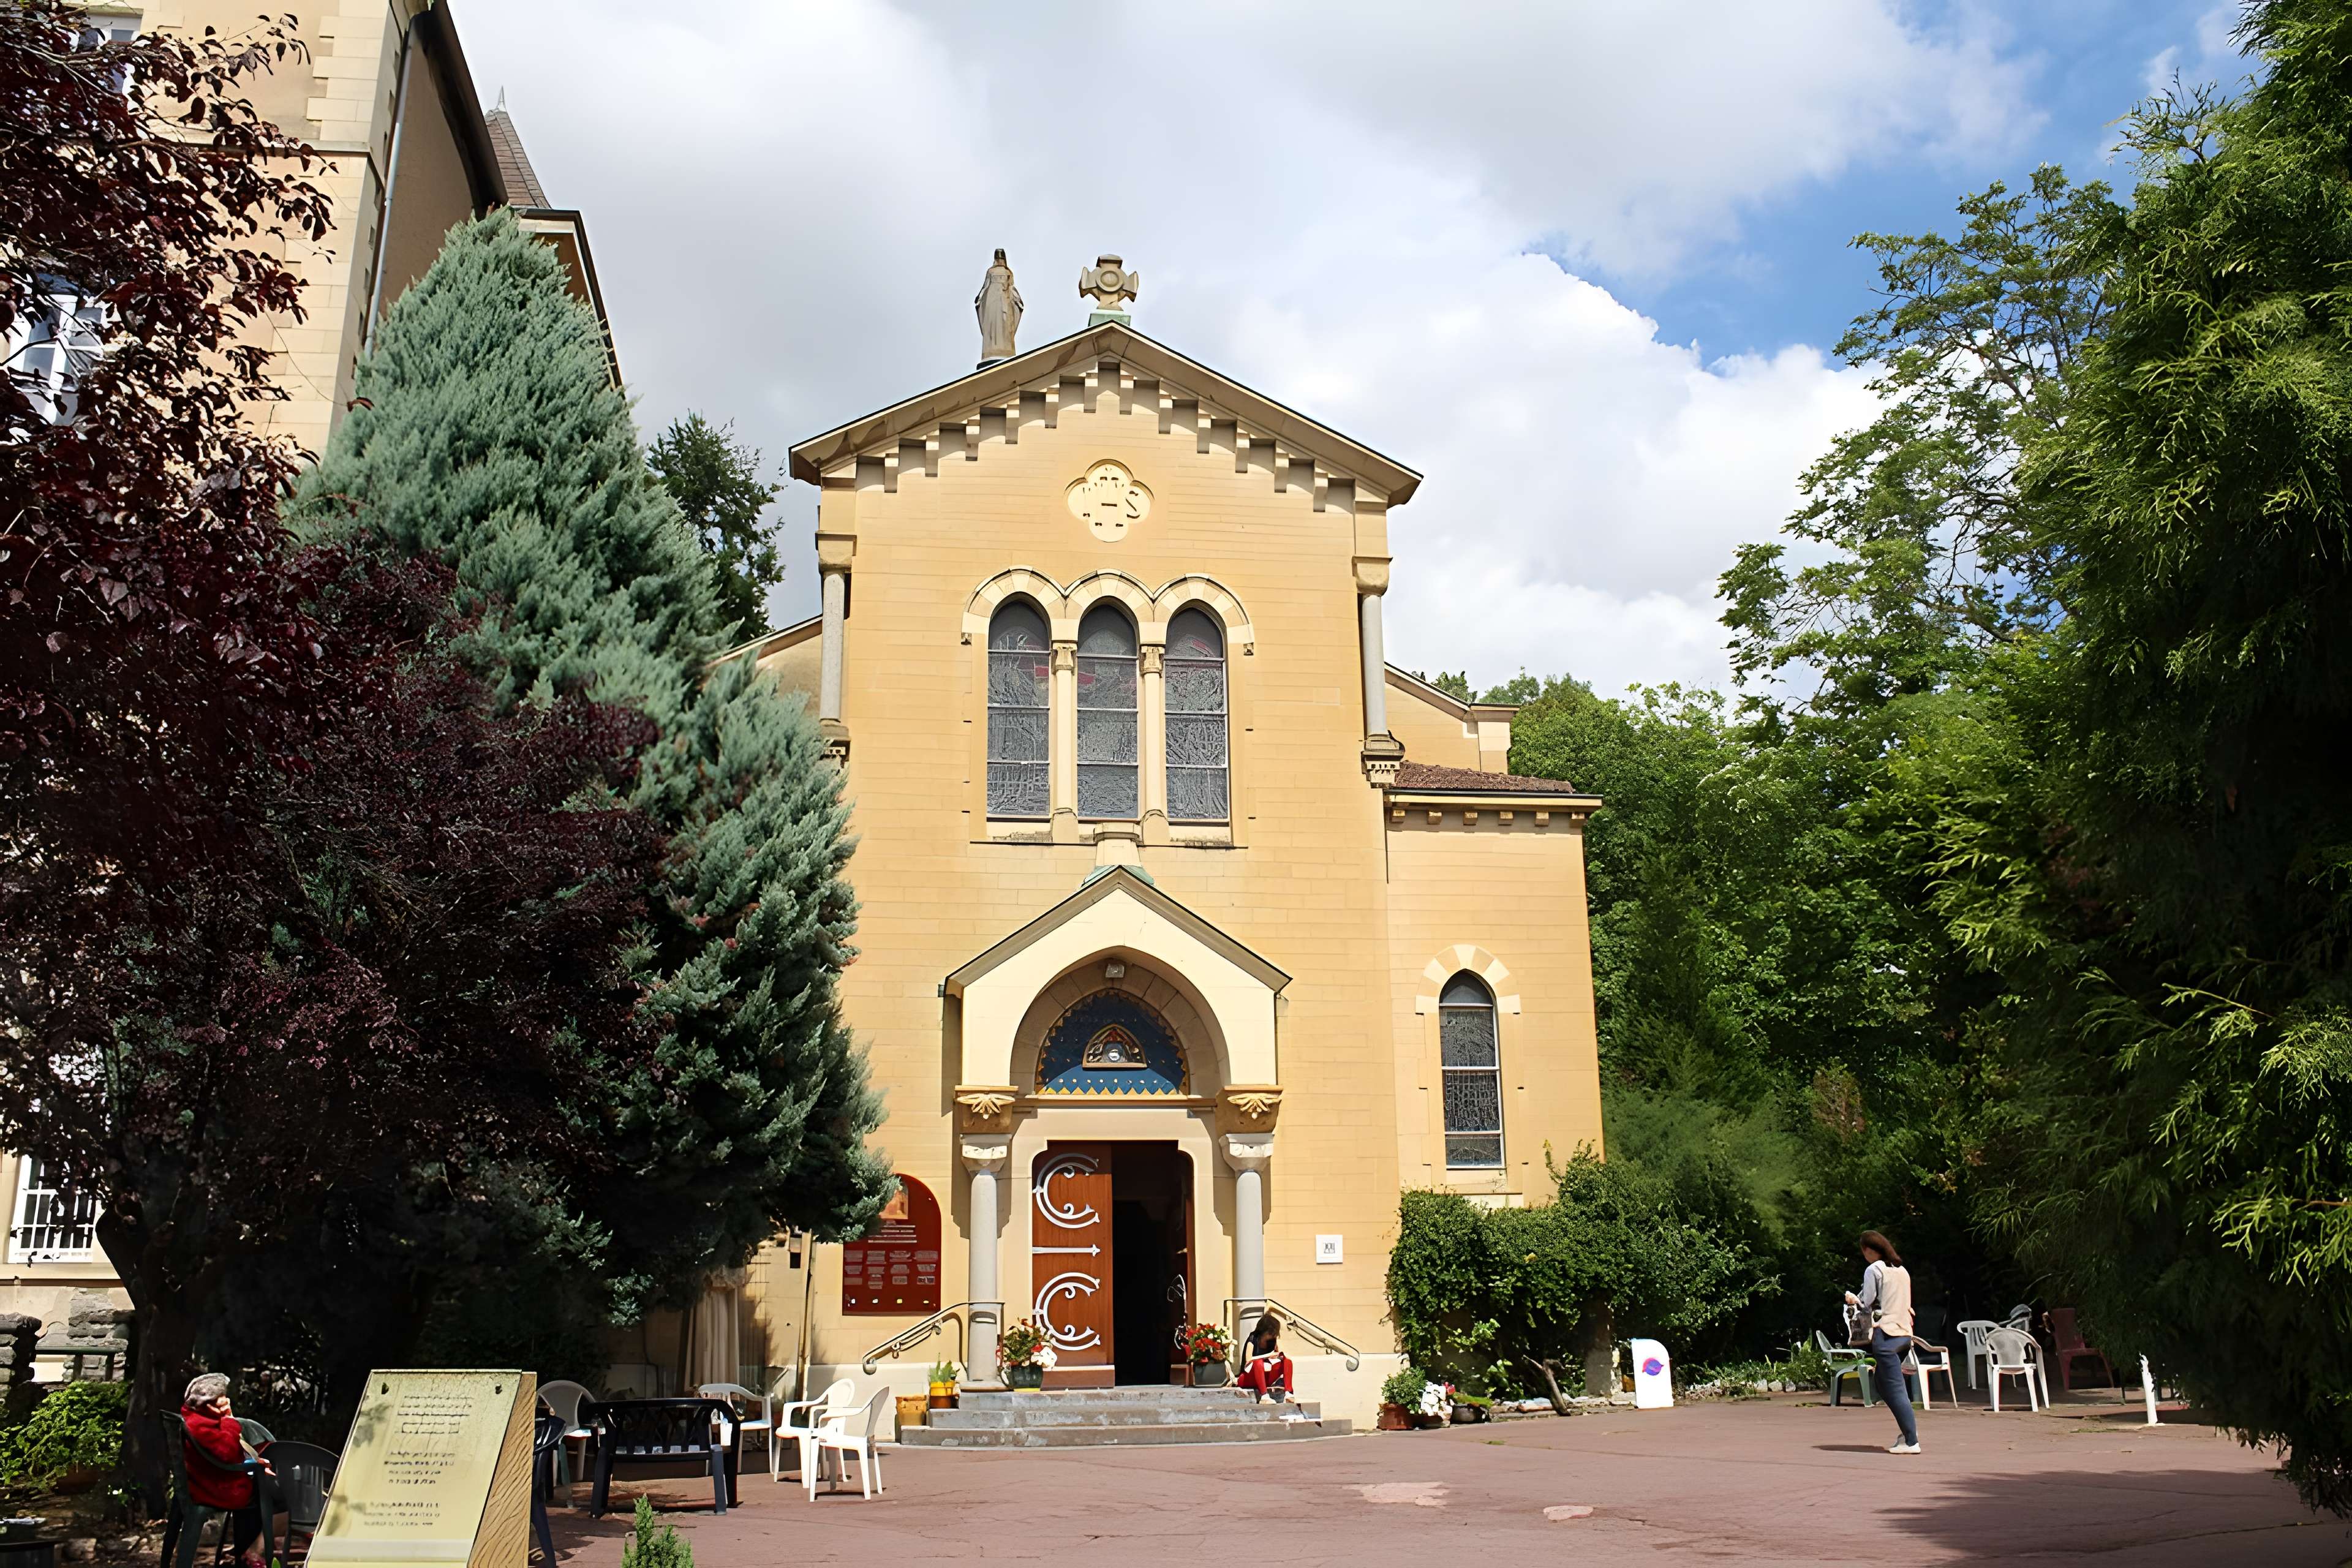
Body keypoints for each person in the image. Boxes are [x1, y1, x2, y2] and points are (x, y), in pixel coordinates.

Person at [179, 1373, 273, 1567]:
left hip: (206, 1480)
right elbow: (228, 1453)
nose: (225, 1405)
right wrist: (230, 1420)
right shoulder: (202, 1426)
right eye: (221, 1402)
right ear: (208, 1403)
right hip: (213, 1488)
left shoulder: (196, 1417)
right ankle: (250, 1553)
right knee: (265, 1495)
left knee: (264, 1486)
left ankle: (248, 1552)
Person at [1845, 1231, 1921, 1455]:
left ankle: (1911, 1440)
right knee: (1883, 1383)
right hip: (1905, 1334)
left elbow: (1866, 1303)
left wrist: (1852, 1299)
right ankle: (1906, 1433)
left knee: (1895, 1389)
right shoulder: (1902, 1270)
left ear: (1868, 1250)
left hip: (1886, 1335)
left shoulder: (1874, 1269)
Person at [1234, 1313, 1294, 1403]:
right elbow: (1249, 1360)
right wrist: (1267, 1356)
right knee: (1258, 1362)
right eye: (1271, 1333)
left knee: (1287, 1361)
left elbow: (1277, 1355)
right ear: (1264, 1331)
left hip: (1266, 1376)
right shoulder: (1253, 1338)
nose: (1273, 1336)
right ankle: (1264, 1396)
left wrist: (1281, 1358)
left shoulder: (1272, 1341)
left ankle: (1288, 1393)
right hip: (1249, 1377)